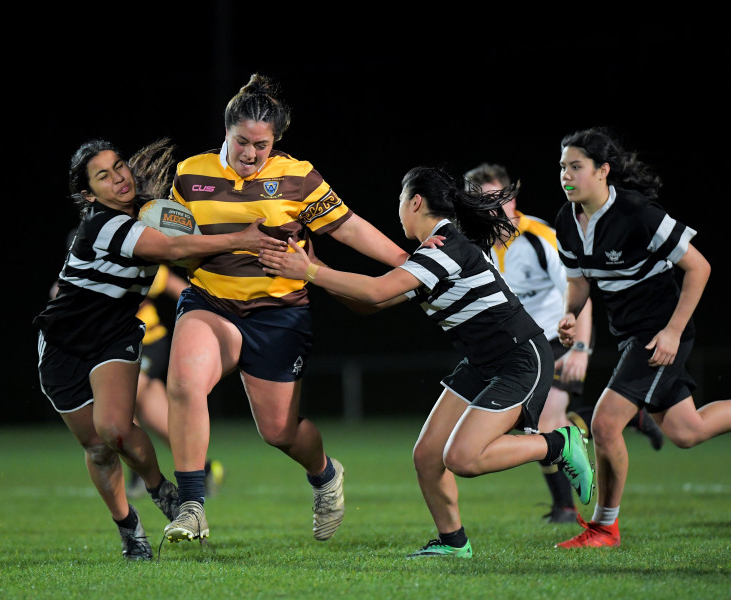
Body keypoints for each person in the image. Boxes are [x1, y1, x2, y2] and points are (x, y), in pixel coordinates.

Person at [259, 165, 595, 558]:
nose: (398, 209)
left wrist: (311, 271)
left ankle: (559, 443)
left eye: (400, 200)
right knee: (427, 455)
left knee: (463, 458)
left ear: (415, 201)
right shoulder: (431, 252)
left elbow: (376, 290)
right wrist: (317, 268)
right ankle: (454, 543)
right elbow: (372, 304)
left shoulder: (445, 245)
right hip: (483, 362)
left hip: (519, 356)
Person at [161, 73, 412, 545]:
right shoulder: (190, 175)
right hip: (212, 300)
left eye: (262, 144)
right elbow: (175, 242)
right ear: (226, 130)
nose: (250, 153)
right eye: (242, 141)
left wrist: (405, 261)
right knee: (185, 382)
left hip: (279, 313)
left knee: (279, 432)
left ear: (275, 141)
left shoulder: (297, 176)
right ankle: (192, 506)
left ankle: (325, 475)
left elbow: (347, 227)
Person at [33, 138, 285, 560]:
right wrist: (242, 239)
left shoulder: (153, 212)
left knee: (115, 428)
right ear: (89, 195)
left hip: (115, 336)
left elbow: (186, 244)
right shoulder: (101, 224)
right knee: (97, 448)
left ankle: (159, 489)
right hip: (63, 344)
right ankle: (129, 527)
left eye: (119, 166)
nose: (119, 178)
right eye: (103, 176)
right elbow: (172, 249)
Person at [553, 127, 731, 548]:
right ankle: (604, 528)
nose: (566, 176)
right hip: (630, 335)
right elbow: (579, 282)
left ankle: (605, 528)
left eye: (576, 166)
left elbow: (699, 267)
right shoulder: (567, 220)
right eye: (562, 167)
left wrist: (672, 332)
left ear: (603, 171)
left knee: (604, 423)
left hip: (659, 334)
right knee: (686, 431)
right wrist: (570, 314)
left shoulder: (636, 213)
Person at [463, 162, 595, 524]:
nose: (490, 208)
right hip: (524, 346)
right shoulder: (477, 244)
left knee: (548, 420)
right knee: (537, 426)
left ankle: (565, 508)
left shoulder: (540, 237)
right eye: (480, 201)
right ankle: (623, 416)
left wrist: (581, 349)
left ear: (512, 200)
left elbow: (579, 291)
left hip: (560, 336)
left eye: (496, 199)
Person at [127, 264, 224, 499]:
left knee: (119, 400)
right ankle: (205, 469)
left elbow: (181, 289)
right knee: (159, 418)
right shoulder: (83, 273)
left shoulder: (135, 263)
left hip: (148, 343)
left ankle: (139, 473)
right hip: (118, 349)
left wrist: (200, 323)